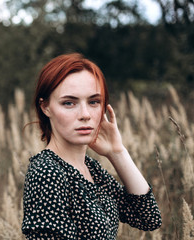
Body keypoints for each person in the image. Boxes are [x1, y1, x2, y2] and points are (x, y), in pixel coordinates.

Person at [21, 53, 162, 239]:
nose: (85, 114)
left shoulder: (91, 169)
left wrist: (117, 152)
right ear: (45, 107)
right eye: (69, 103)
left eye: (94, 102)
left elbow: (148, 218)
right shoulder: (48, 173)